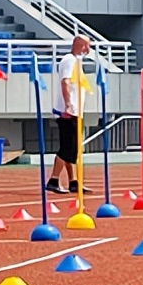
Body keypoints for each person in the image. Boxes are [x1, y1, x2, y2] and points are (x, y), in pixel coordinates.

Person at [46, 36, 91, 194]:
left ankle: (73, 181)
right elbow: (65, 82)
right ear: (81, 45)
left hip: (75, 111)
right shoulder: (69, 60)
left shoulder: (76, 61)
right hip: (69, 112)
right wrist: (67, 105)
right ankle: (53, 180)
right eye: (87, 46)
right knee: (67, 148)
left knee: (73, 149)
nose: (88, 50)